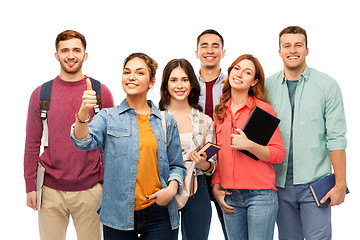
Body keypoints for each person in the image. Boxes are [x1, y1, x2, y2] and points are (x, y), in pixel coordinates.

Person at [71, 52, 186, 240]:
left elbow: (177, 165)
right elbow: (83, 141)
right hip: (117, 215)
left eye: (140, 73)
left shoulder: (166, 121)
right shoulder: (108, 117)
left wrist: (172, 189)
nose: (131, 77)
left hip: (159, 213)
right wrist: (84, 111)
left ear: (152, 82)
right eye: (127, 72)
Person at [24, 30, 114, 240]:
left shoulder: (101, 93)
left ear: (85, 55)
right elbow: (31, 142)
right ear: (56, 55)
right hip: (50, 189)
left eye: (76, 50)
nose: (70, 55)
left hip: (91, 189)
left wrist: (104, 184)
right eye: (64, 50)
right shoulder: (41, 94)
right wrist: (30, 186)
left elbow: (112, 144)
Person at [266, 26, 348, 240]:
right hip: (278, 185)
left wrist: (340, 184)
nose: (292, 50)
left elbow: (336, 138)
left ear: (307, 50)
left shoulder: (327, 86)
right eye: (287, 46)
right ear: (279, 51)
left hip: (315, 184)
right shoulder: (266, 87)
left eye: (298, 45)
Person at [212, 54, 285, 240]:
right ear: (229, 73)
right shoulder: (220, 112)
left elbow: (278, 154)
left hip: (260, 196)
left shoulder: (262, 110)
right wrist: (216, 186)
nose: (240, 74)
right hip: (229, 196)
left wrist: (249, 145)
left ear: (254, 81)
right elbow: (219, 155)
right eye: (236, 69)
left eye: (247, 72)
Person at [159, 58, 216, 240]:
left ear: (192, 83)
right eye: (173, 80)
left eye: (184, 79)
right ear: (166, 84)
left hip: (197, 188)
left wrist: (204, 163)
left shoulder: (205, 121)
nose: (179, 85)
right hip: (164, 187)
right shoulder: (155, 118)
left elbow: (212, 165)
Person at [195, 29, 228, 239]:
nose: (210, 50)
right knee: (195, 231)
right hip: (194, 167)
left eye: (215, 46)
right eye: (204, 46)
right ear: (196, 52)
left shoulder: (231, 84)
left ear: (223, 52)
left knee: (231, 229)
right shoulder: (186, 84)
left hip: (225, 166)